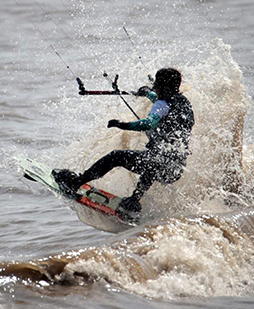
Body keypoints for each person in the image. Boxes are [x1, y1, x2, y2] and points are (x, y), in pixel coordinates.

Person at [53, 68, 195, 218]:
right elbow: (163, 103)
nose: (155, 87)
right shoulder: (184, 103)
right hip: (175, 169)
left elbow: (148, 123)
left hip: (159, 163)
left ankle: (75, 183)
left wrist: (122, 125)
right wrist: (147, 92)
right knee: (153, 160)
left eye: (156, 84)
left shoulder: (162, 104)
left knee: (116, 157)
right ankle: (133, 201)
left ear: (162, 86)